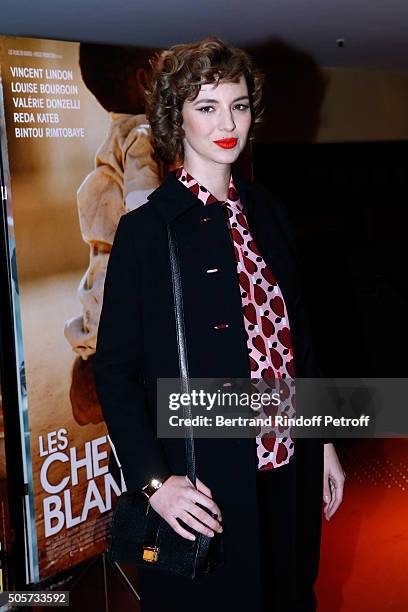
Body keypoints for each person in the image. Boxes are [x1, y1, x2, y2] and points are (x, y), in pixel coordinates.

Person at [93, 37, 346, 612]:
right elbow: (115, 371)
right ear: (175, 117)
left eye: (238, 105)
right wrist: (156, 483)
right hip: (207, 481)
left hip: (288, 464)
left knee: (290, 593)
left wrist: (325, 438)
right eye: (207, 107)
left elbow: (296, 340)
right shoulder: (148, 231)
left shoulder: (268, 211)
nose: (227, 122)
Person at [64, 43, 163, 427]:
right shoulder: (141, 136)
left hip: (101, 276)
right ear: (144, 80)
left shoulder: (113, 138)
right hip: (124, 277)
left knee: (102, 343)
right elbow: (143, 206)